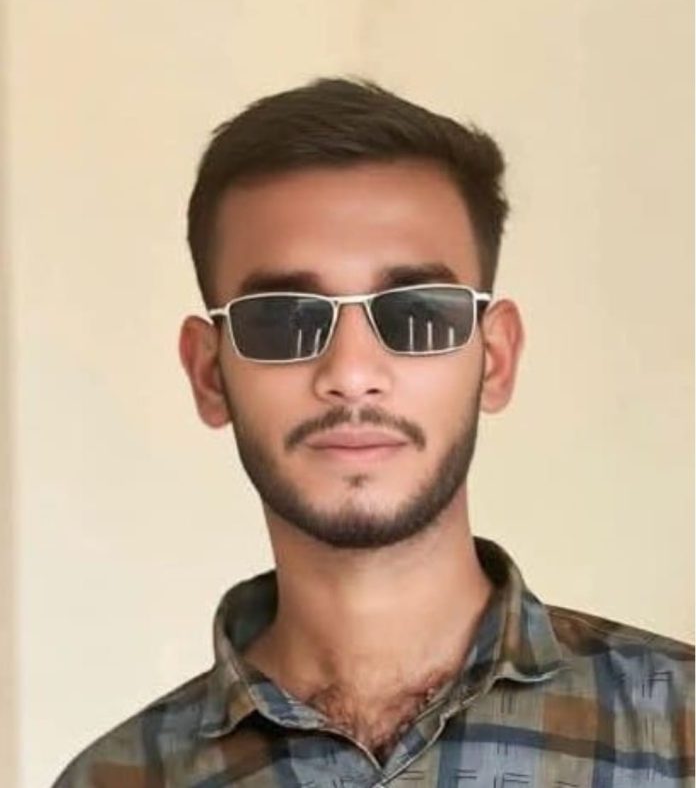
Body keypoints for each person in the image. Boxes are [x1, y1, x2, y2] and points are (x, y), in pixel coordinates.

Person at [53, 78, 693, 787]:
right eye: (284, 319)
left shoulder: (681, 731)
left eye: (418, 314)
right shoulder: (114, 780)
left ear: (496, 358)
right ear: (209, 373)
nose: (352, 374)